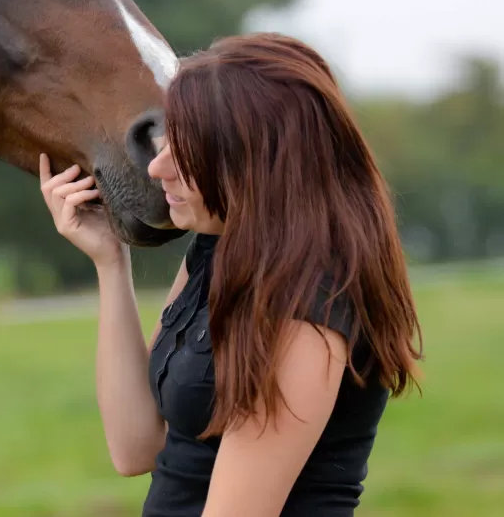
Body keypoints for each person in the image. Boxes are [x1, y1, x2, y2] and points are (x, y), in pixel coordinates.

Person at [39, 32, 422, 517]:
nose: (157, 168)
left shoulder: (308, 308)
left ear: (251, 162)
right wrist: (110, 262)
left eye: (183, 151)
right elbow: (136, 447)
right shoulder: (217, 250)